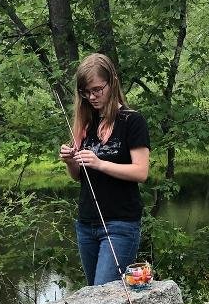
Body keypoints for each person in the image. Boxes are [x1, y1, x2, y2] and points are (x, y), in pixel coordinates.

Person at [59, 53, 150, 286]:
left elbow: (141, 172)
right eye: (85, 92)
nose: (92, 97)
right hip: (86, 224)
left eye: (97, 89)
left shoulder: (132, 121)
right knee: (94, 296)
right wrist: (70, 161)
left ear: (112, 82)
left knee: (104, 293)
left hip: (120, 225)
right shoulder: (86, 123)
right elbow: (78, 177)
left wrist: (100, 163)